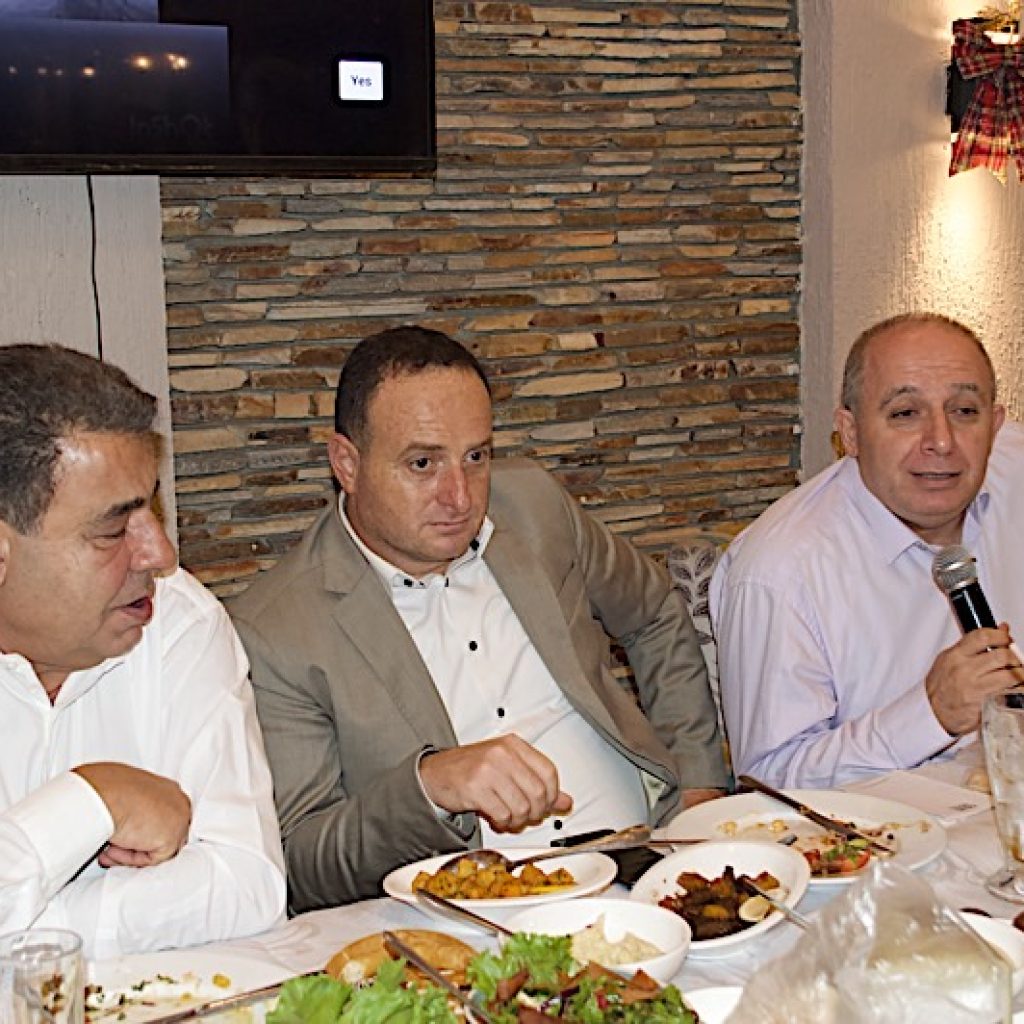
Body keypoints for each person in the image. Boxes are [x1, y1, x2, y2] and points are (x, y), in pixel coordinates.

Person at [229, 325, 727, 910]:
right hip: (482, 920)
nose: (460, 497)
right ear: (347, 463)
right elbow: (304, 863)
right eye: (423, 463)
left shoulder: (535, 507)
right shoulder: (277, 630)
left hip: (652, 864)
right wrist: (430, 787)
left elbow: (654, 613)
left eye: (476, 457)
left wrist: (699, 785)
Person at [0, 344, 286, 957]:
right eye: (112, 530)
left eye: (152, 509)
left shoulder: (175, 620)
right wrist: (91, 799)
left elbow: (248, 886)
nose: (160, 554)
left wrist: (27, 928)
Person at [711, 313, 1024, 789]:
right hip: (886, 828)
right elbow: (770, 780)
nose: (941, 441)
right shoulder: (779, 572)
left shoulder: (1014, 472)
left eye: (964, 411)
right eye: (905, 413)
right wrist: (930, 714)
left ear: (995, 425)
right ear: (850, 433)